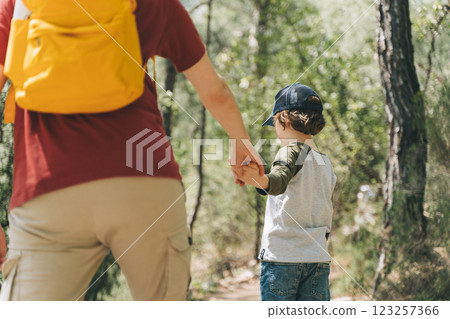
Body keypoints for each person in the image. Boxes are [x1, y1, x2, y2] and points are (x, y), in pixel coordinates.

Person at [0, 0, 262, 300]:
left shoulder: (18, 3)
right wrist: (240, 142)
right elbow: (216, 92)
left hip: (46, 193)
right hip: (146, 178)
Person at [240, 83, 337, 301]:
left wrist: (258, 179)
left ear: (283, 118)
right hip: (317, 259)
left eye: (274, 123)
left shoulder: (290, 151)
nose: (275, 131)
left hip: (283, 260)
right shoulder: (325, 163)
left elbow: (278, 181)